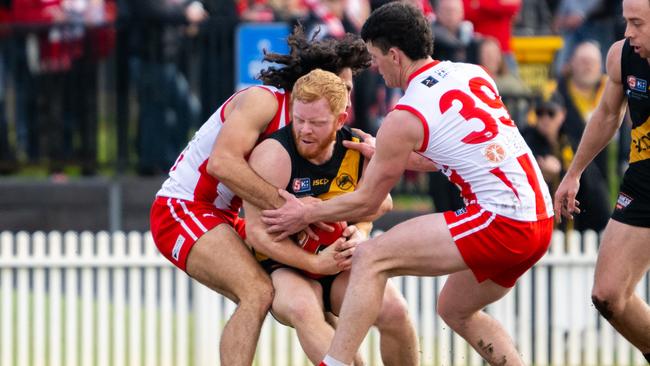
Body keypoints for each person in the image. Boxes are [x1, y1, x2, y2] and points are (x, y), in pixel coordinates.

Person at [261, 3, 554, 365]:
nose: (374, 68)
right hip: (540, 217)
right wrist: (383, 151)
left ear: (395, 55)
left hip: (501, 221)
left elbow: (367, 201)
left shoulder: (406, 114)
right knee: (454, 308)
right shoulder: (472, 73)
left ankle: (332, 363)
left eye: (375, 57)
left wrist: (306, 211)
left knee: (371, 256)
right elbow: (452, 154)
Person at [148, 26, 371, 366]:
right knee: (257, 292)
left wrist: (360, 217)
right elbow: (221, 164)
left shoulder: (313, 125)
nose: (349, 100)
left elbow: (376, 199)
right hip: (184, 209)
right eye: (344, 88)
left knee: (309, 299)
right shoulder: (263, 101)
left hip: (227, 215)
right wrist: (292, 208)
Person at [244, 69, 419, 365]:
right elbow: (257, 233)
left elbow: (381, 203)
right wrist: (314, 263)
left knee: (395, 312)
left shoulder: (357, 147)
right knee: (303, 308)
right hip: (285, 266)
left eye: (316, 122)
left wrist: (361, 231)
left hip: (339, 262)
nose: (305, 130)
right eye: (298, 119)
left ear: (340, 120)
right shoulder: (273, 155)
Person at [554, 0, 650, 361]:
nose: (628, 33)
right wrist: (574, 173)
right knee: (607, 295)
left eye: (637, 23)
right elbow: (608, 115)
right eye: (626, 21)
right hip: (643, 177)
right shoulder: (621, 56)